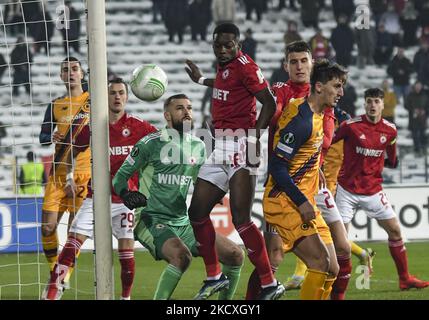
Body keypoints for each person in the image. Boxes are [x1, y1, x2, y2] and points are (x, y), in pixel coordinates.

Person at [185, 22, 284, 300]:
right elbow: (226, 85)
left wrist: (254, 137)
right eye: (218, 45)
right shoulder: (224, 67)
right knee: (197, 212)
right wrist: (201, 80)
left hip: (243, 144)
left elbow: (270, 102)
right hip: (220, 146)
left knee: (241, 219)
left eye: (229, 44)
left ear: (238, 44)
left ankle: (269, 283)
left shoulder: (246, 66)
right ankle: (214, 277)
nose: (223, 49)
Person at [113, 94, 244, 300]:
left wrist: (215, 193)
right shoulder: (150, 143)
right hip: (150, 219)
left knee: (235, 255)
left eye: (189, 108)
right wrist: (126, 193)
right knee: (182, 257)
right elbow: (119, 178)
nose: (187, 113)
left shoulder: (198, 146)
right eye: (180, 108)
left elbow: (200, 182)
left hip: (182, 222)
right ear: (167, 115)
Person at [43, 78, 157, 300]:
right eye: (112, 92)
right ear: (105, 97)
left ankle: (125, 297)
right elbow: (71, 152)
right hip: (94, 198)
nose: (116, 96)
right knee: (72, 242)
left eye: (120, 93)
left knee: (126, 254)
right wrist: (67, 177)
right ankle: (54, 291)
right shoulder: (93, 127)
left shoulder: (139, 126)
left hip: (124, 201)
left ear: (126, 96)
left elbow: (161, 146)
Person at [262, 60, 347, 300]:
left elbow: (304, 152)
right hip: (285, 201)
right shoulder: (301, 122)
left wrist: (314, 165)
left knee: (333, 268)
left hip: (304, 198)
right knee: (320, 262)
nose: (341, 92)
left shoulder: (316, 113)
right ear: (319, 87)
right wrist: (301, 201)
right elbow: (277, 167)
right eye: (336, 86)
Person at [333, 87, 429, 291]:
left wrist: (391, 161)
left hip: (373, 191)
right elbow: (328, 142)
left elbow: (392, 157)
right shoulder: (350, 126)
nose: (372, 105)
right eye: (369, 101)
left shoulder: (390, 130)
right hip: (347, 191)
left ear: (383, 105)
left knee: (395, 230)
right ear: (364, 103)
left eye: (376, 101)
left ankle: (405, 279)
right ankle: (334, 285)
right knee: (341, 243)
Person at [39, 57, 90, 287]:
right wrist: (51, 137)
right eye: (65, 70)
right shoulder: (54, 105)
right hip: (58, 174)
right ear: (60, 76)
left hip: (85, 174)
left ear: (82, 74)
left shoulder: (93, 101)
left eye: (74, 69)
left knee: (73, 231)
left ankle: (62, 277)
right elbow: (42, 137)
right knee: (48, 227)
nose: (70, 73)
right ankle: (55, 271)